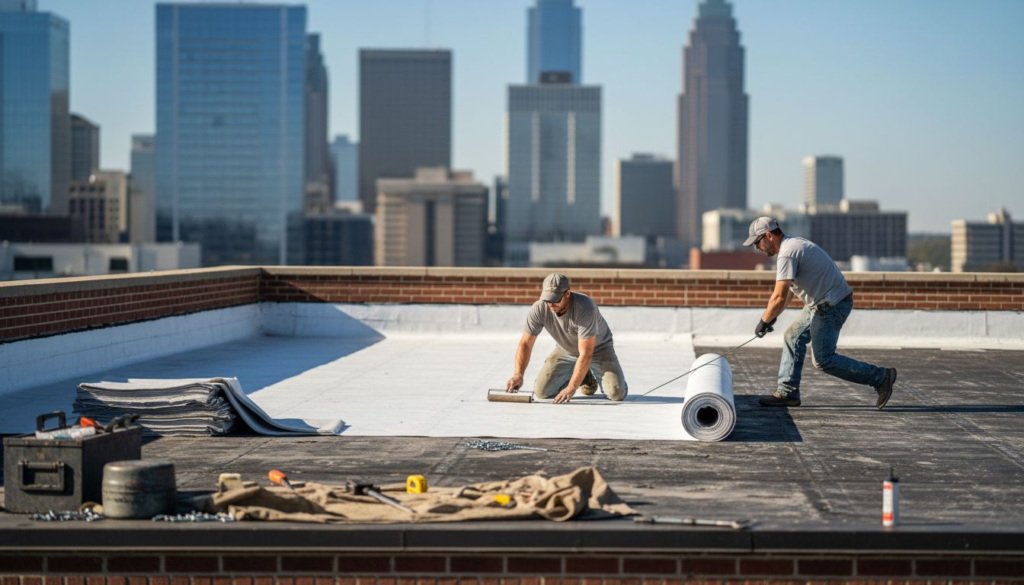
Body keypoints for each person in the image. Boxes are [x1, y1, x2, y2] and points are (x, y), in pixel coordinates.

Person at [744, 217, 897, 408]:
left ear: (768, 235)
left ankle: (881, 377)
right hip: (822, 303)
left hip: (831, 304)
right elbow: (788, 293)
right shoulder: (791, 246)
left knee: (823, 360)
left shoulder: (787, 254)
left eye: (757, 242)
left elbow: (778, 297)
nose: (757, 247)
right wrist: (772, 317)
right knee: (793, 336)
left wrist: (764, 321)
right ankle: (788, 393)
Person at [505, 273, 627, 404]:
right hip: (566, 349)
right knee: (542, 392)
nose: (551, 304)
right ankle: (585, 377)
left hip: (599, 348)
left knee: (616, 393)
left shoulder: (585, 308)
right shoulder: (539, 308)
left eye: (555, 299)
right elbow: (525, 344)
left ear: (567, 293)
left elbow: (586, 354)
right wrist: (518, 375)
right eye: (547, 299)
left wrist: (572, 387)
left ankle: (582, 374)